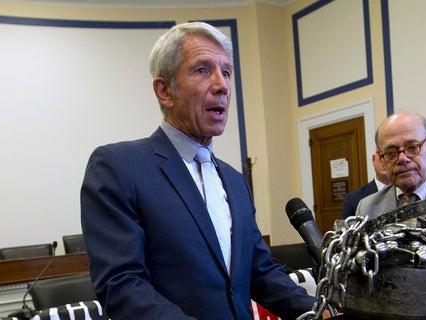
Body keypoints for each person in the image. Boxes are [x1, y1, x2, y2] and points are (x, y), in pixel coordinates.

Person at [80, 22, 316, 320]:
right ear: (165, 91)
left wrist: (322, 312)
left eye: (226, 72)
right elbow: (122, 286)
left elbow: (260, 271)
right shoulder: (118, 166)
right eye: (202, 70)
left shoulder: (235, 180)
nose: (222, 85)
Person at [340, 153, 390, 218]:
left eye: (389, 157)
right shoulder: (353, 199)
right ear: (373, 159)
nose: (384, 163)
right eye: (381, 158)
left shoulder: (405, 193)